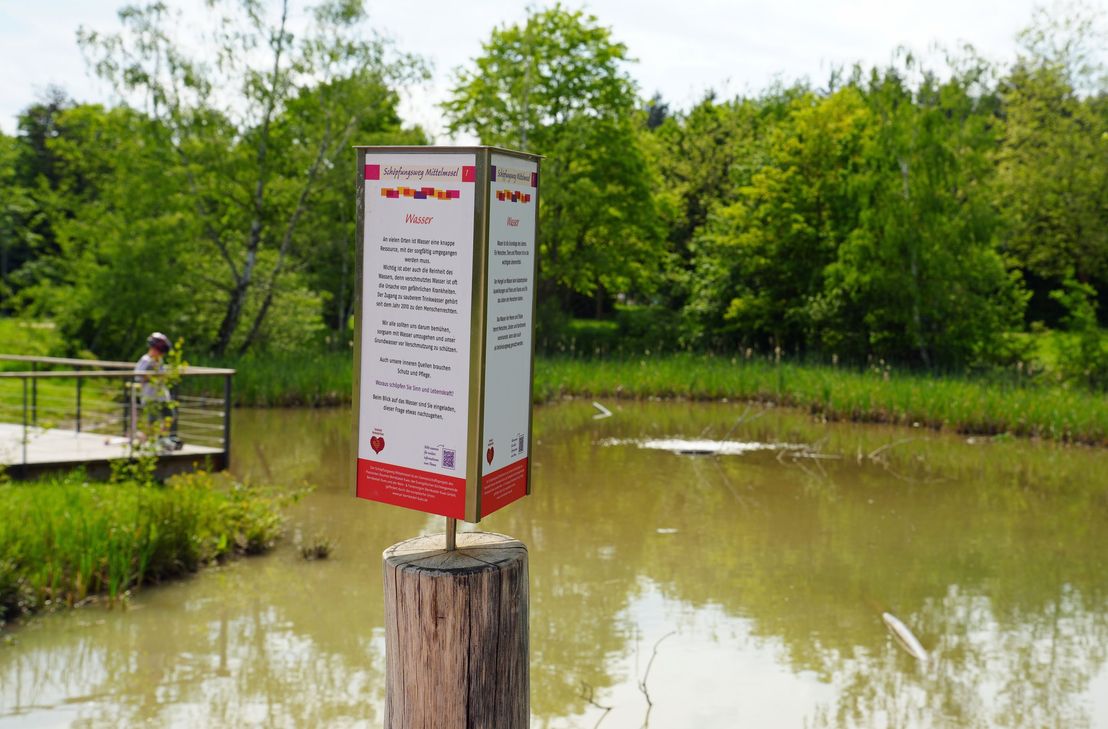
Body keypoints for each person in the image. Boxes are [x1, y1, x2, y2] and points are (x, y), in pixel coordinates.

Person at [134, 332, 181, 449]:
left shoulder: (159, 360)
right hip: (150, 396)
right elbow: (138, 376)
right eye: (158, 351)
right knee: (151, 421)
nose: (160, 354)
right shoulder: (146, 360)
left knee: (169, 416)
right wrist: (152, 377)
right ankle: (142, 442)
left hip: (162, 396)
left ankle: (161, 437)